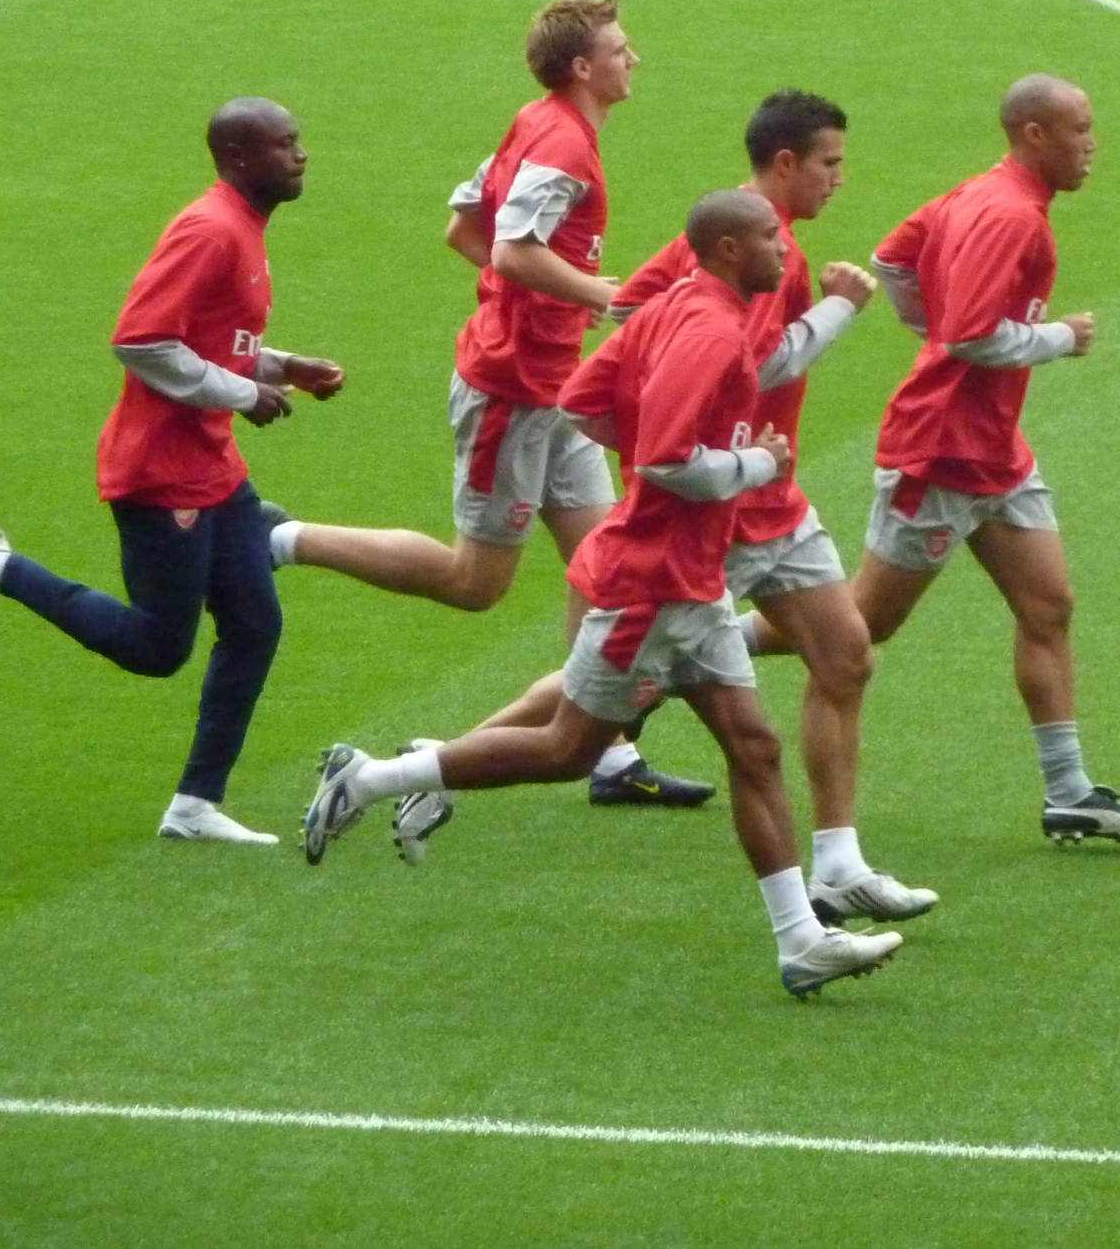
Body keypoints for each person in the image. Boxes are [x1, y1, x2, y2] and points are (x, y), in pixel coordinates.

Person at [301, 192, 907, 1000]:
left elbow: (586, 401)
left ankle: (801, 940)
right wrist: (751, 468)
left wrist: (680, 450)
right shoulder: (711, 331)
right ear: (728, 250)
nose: (783, 251)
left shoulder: (677, 306)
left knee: (753, 747)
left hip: (688, 576)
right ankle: (374, 778)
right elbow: (663, 460)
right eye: (768, 239)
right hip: (653, 587)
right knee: (567, 749)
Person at [407, 93, 937, 923]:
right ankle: (433, 765)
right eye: (830, 163)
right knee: (601, 699)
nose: (841, 178)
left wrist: (657, 395)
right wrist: (835, 312)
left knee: (846, 655)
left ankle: (838, 863)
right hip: (717, 508)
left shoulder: (743, 244)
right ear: (786, 164)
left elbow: (627, 312)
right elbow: (744, 368)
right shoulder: (765, 256)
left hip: (772, 501)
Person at [267, 0, 710, 808]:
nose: (633, 58)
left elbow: (465, 229)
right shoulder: (564, 146)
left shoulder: (535, 122)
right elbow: (506, 245)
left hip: (555, 387)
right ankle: (286, 537)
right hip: (510, 391)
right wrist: (597, 297)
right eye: (620, 48)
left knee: (606, 571)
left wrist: (545, 305)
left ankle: (600, 752)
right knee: (476, 583)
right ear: (583, 68)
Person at [0, 99, 342, 845]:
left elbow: (209, 339)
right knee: (156, 648)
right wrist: (245, 394)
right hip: (160, 473)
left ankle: (194, 806)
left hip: (213, 466)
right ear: (238, 157)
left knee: (255, 623)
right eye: (284, 144)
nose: (301, 156)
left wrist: (279, 364)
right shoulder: (210, 230)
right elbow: (141, 341)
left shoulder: (245, 227)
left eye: (299, 141)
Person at [856, 76, 1120, 845]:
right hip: (937, 455)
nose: (1092, 143)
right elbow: (968, 336)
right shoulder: (1010, 218)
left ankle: (1069, 792)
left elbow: (894, 262)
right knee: (854, 628)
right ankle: (690, 648)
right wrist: (1058, 338)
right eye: (1080, 129)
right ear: (1035, 134)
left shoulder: (978, 194)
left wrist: (930, 330)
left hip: (994, 450)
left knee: (1048, 605)